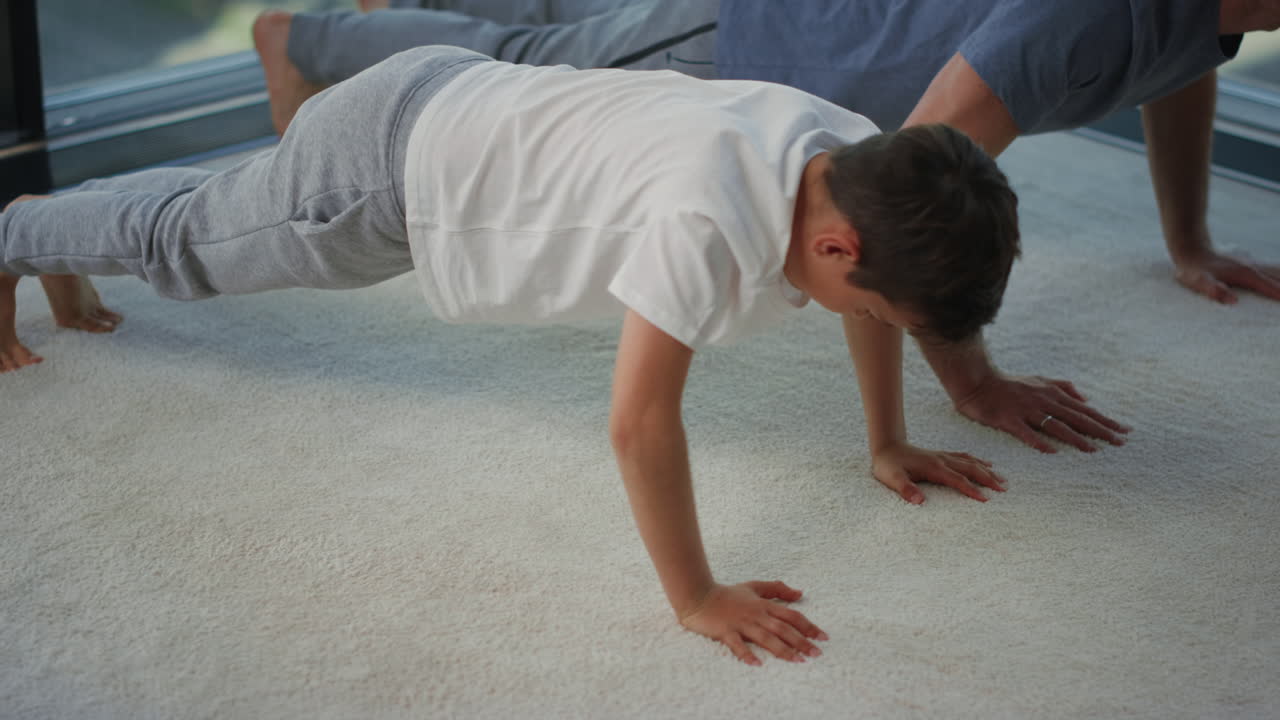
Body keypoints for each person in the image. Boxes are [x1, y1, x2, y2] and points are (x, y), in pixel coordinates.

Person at [0, 47, 1021, 664]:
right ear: (838, 246)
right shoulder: (704, 218)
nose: (869, 321)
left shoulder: (847, 151)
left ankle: (58, 224)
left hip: (455, 100)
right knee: (192, 245)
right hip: (390, 177)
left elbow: (865, 303)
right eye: (877, 309)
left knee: (210, 211)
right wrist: (698, 598)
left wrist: (885, 443)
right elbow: (637, 424)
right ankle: (19, 231)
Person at [253, 0, 1280, 477]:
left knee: (563, 29)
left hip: (788, 76)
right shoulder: (1080, 17)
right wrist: (967, 383)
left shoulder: (1204, 14)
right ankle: (302, 35)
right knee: (525, 60)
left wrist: (1184, 241)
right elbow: (910, 201)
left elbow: (1176, 67)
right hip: (742, 52)